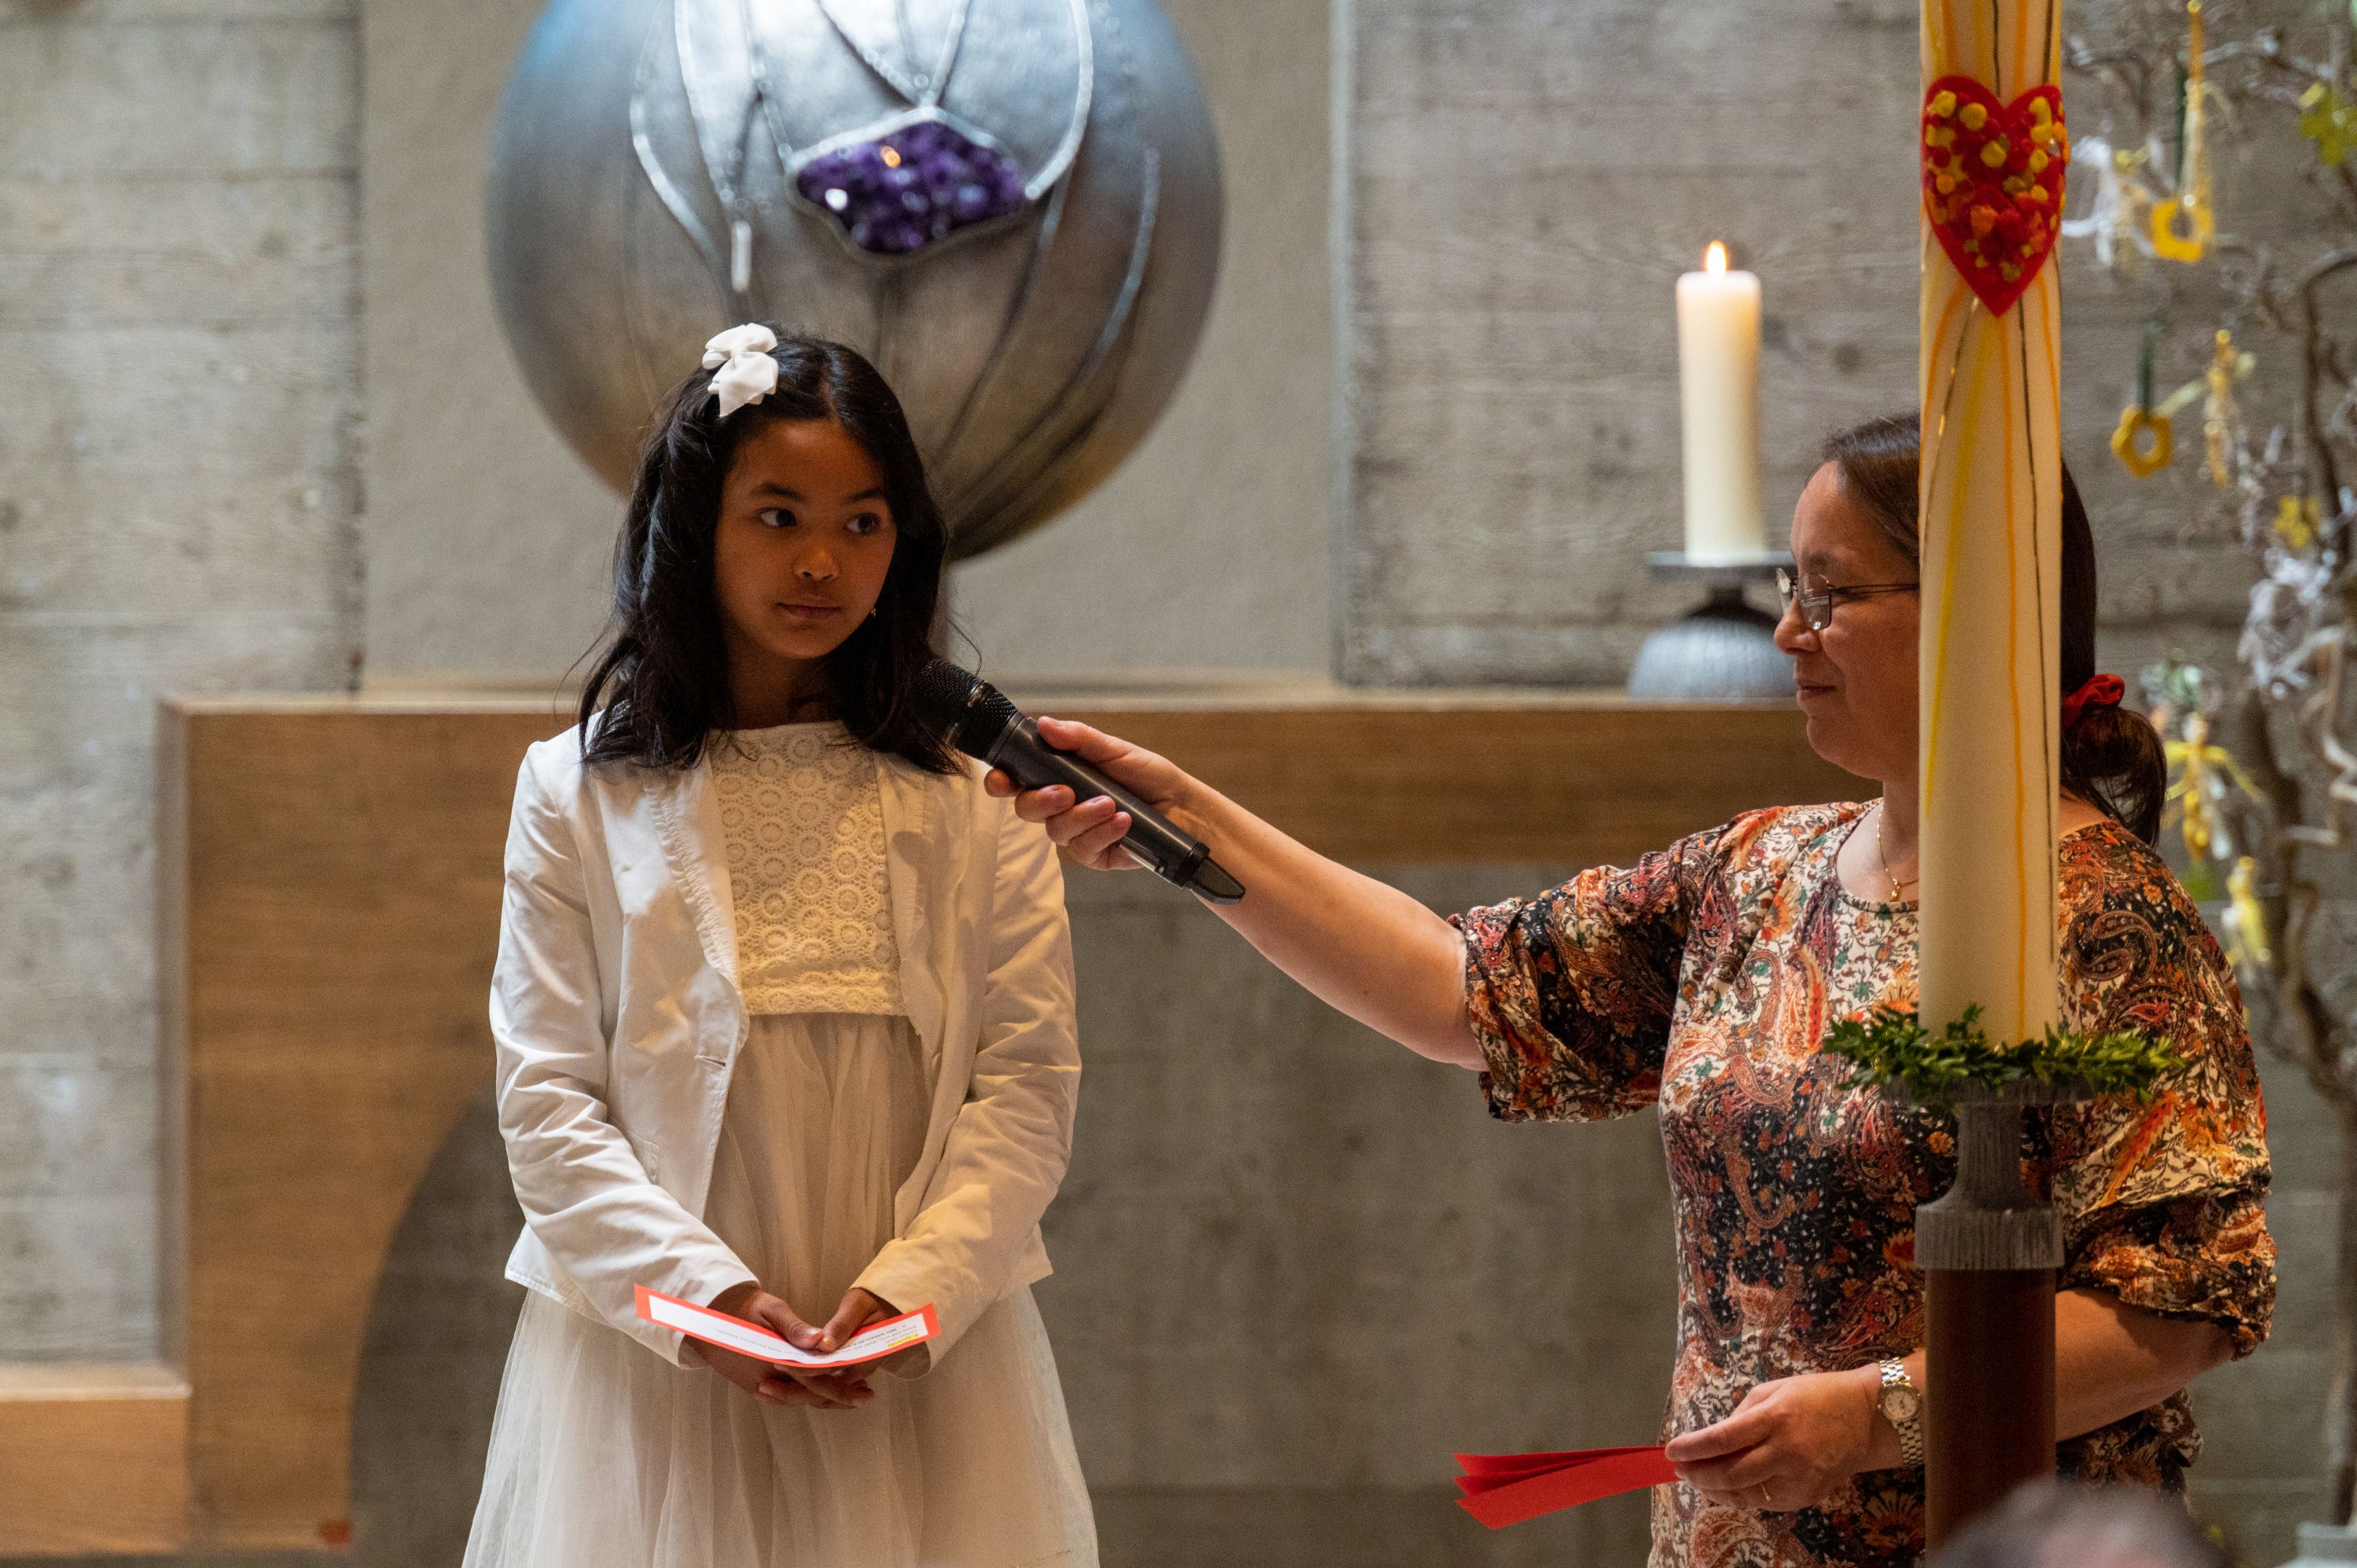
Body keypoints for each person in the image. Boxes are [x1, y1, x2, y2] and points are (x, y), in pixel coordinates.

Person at [995, 412, 2275, 1566]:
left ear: (1976, 610)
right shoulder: (1758, 872)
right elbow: (1459, 989)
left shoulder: (2110, 922)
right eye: (1791, 588)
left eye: (1830, 594)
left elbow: (2183, 1307)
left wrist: (1874, 1413)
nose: (1787, 633)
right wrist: (1189, 822)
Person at [464, 326, 1095, 1568]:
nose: (821, 562)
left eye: (863, 524)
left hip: (918, 1351)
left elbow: (1027, 1083)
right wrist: (708, 1299)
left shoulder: (976, 795)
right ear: (694, 529)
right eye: (777, 517)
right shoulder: (579, 792)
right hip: (662, 1358)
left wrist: (919, 1286)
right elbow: (546, 1101)